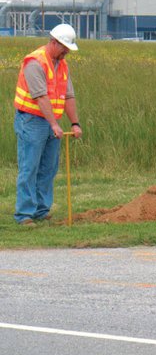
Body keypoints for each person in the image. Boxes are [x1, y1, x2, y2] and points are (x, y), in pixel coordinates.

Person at [13, 23, 83, 225]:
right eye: (64, 48)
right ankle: (24, 214)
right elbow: (41, 97)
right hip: (31, 121)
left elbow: (68, 95)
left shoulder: (62, 64)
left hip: (52, 122)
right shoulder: (34, 62)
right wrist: (54, 125)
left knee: (49, 168)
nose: (67, 52)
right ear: (54, 42)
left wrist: (75, 123)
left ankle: (41, 210)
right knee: (30, 167)